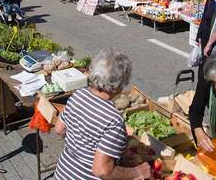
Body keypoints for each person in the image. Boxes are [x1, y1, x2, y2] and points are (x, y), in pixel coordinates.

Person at [54, 49, 150, 180]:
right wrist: (138, 172)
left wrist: (81, 145)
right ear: (119, 85)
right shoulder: (113, 120)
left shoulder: (78, 95)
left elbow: (59, 129)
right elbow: (102, 171)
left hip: (63, 173)